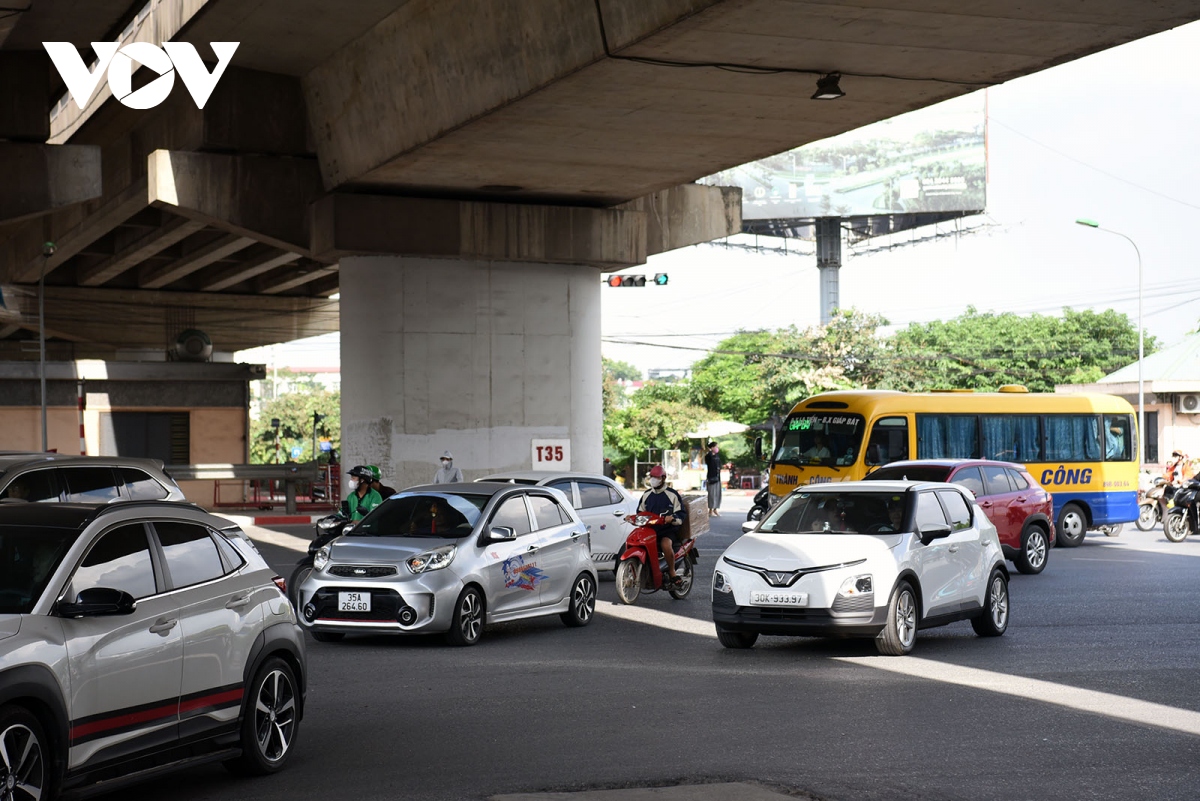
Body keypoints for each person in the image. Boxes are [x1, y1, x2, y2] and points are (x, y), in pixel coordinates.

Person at [637, 464, 688, 587]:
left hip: (668, 530)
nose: (653, 480)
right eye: (652, 477)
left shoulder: (672, 495)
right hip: (651, 530)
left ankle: (672, 572)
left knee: (666, 544)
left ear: (663, 478)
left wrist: (672, 518)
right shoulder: (646, 495)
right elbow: (640, 512)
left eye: (657, 477)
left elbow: (681, 514)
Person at [703, 441, 722, 517]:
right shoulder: (708, 456)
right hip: (711, 478)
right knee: (711, 494)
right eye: (716, 447)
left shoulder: (717, 456)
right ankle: (710, 510)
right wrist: (710, 451)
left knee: (717, 494)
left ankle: (715, 509)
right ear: (712, 447)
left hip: (717, 478)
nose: (717, 448)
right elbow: (708, 460)